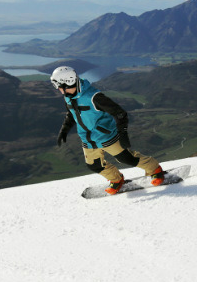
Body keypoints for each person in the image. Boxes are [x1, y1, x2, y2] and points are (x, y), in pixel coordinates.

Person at [50, 66, 165, 194]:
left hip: (106, 136)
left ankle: (154, 169)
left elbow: (120, 113)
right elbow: (71, 114)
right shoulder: (68, 97)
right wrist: (64, 130)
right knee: (94, 165)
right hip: (88, 139)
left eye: (59, 87)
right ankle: (116, 179)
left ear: (67, 83)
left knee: (127, 158)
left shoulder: (94, 97)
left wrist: (123, 133)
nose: (58, 90)